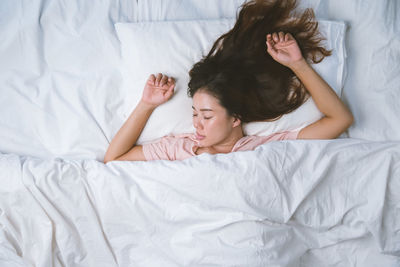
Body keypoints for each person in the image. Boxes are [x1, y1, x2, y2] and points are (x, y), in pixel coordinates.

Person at [103, 0, 354, 163]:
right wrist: (146, 105)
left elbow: (340, 120)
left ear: (235, 117)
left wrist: (298, 65)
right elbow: (113, 159)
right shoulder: (179, 148)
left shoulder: (264, 146)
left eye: (207, 116)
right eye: (195, 113)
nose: (197, 125)